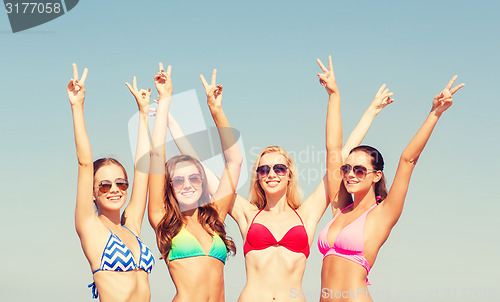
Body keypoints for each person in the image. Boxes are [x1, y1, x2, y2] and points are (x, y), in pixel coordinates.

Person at [166, 55, 393, 301]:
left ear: (289, 176)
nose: (271, 174)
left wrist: (338, 98)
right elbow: (199, 168)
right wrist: (209, 113)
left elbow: (337, 155)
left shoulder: (306, 215)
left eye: (279, 169)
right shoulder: (247, 214)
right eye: (263, 170)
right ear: (258, 178)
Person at [318, 76, 465, 301]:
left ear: (377, 176)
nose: (349, 174)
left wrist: (435, 113)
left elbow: (408, 160)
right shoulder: (340, 208)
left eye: (359, 170)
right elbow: (332, 149)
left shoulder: (383, 213)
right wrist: (333, 96)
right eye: (347, 168)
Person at [147, 64, 243, 302]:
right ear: (170, 186)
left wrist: (216, 109)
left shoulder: (214, 216)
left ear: (202, 182)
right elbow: (157, 155)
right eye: (178, 180)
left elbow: (235, 161)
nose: (187, 184)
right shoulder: (163, 220)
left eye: (194, 177)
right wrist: (165, 98)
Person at [68, 63, 155, 301]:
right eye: (104, 185)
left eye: (121, 183)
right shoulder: (90, 226)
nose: (114, 189)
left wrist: (143, 115)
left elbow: (144, 168)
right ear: (93, 193)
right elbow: (85, 163)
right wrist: (77, 106)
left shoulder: (132, 225)